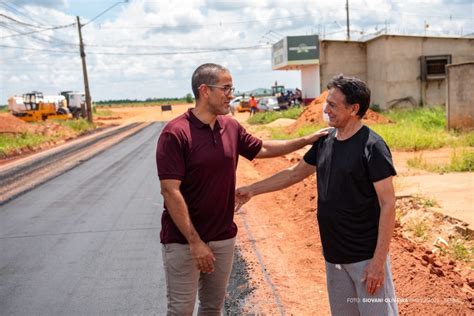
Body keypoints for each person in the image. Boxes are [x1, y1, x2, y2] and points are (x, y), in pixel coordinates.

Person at [155, 63, 330, 315]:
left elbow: (263, 149)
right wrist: (195, 242)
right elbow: (170, 191)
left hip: (223, 237)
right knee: (180, 310)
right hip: (184, 242)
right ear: (205, 91)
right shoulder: (176, 133)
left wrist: (306, 140)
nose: (231, 95)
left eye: (231, 88)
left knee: (212, 308)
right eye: (226, 88)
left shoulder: (231, 127)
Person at [236, 75, 398, 315]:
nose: (326, 110)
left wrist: (377, 262)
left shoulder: (372, 146)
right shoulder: (325, 141)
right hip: (335, 259)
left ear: (354, 109)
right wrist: (252, 189)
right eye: (327, 103)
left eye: (333, 105)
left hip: (365, 260)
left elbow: (388, 203)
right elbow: (294, 174)